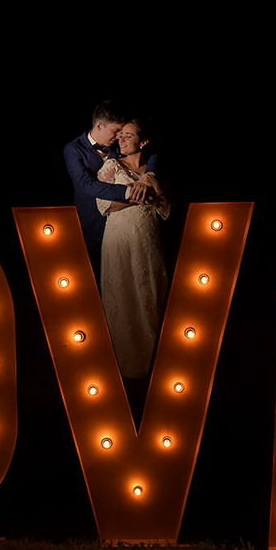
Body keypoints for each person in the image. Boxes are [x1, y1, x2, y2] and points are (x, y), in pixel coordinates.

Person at [96, 119, 169, 390]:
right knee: (122, 296)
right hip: (118, 240)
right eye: (121, 135)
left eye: (129, 135)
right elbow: (103, 205)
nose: (122, 139)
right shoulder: (111, 167)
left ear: (144, 141)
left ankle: (154, 366)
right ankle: (123, 369)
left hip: (148, 241)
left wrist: (155, 190)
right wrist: (134, 196)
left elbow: (166, 210)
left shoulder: (152, 172)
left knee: (149, 294)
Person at [63, 100, 156, 278]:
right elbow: (85, 185)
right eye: (115, 131)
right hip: (91, 222)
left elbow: (150, 153)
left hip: (123, 225)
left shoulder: (118, 145)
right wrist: (128, 191)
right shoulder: (73, 149)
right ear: (99, 125)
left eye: (121, 133)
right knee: (94, 277)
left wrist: (149, 176)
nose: (118, 137)